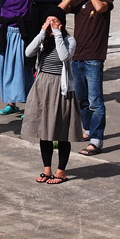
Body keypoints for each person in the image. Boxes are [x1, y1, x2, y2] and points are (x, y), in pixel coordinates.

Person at [59, 0, 113, 154]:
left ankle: (97, 140)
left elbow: (99, 8)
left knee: (95, 101)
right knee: (81, 99)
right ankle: (88, 130)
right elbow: (60, 9)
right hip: (77, 58)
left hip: (94, 58)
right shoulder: (80, 1)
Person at [22, 15, 82, 183]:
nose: (50, 23)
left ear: (61, 24)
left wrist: (56, 33)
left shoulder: (69, 40)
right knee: (44, 130)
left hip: (60, 88)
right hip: (42, 85)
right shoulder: (44, 40)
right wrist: (42, 32)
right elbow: (28, 52)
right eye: (48, 20)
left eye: (54, 20)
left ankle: (61, 171)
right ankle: (47, 169)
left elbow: (64, 56)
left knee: (62, 131)